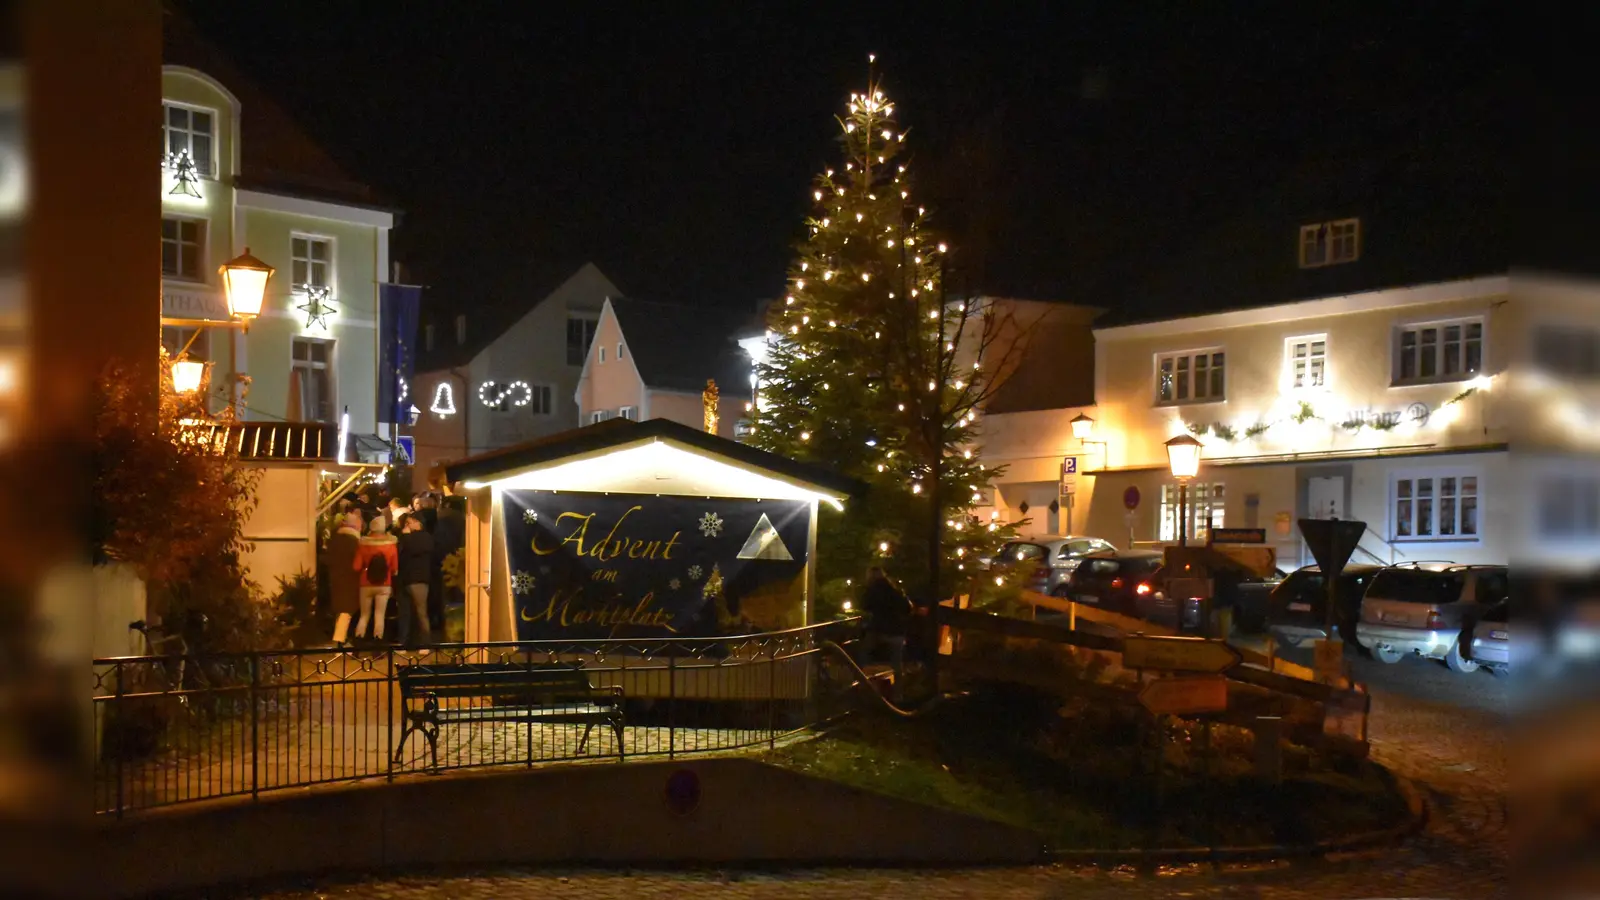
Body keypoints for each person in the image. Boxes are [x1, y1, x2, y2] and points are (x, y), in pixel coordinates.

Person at [860, 566, 911, 686]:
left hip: (878, 630)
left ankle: (864, 684)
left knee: (864, 655)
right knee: (896, 663)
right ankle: (898, 689)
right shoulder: (895, 590)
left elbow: (865, 606)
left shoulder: (871, 591)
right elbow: (908, 608)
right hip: (896, 631)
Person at [352, 516, 400, 644]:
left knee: (364, 615)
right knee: (380, 615)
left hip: (365, 583)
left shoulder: (363, 544)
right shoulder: (391, 545)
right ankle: (378, 642)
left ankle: (359, 640)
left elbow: (356, 567)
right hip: (384, 583)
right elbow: (394, 569)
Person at [395, 512, 435, 647]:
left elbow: (414, 549)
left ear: (419, 523)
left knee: (420, 612)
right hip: (405, 578)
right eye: (406, 523)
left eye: (410, 522)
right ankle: (403, 642)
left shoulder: (425, 537)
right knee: (404, 613)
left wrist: (406, 537)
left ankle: (425, 643)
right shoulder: (405, 537)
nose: (407, 525)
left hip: (418, 579)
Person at [324, 510, 363, 646]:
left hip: (336, 578)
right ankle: (340, 641)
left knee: (341, 610)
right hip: (350, 579)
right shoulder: (353, 541)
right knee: (346, 611)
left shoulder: (334, 539)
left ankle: (341, 639)